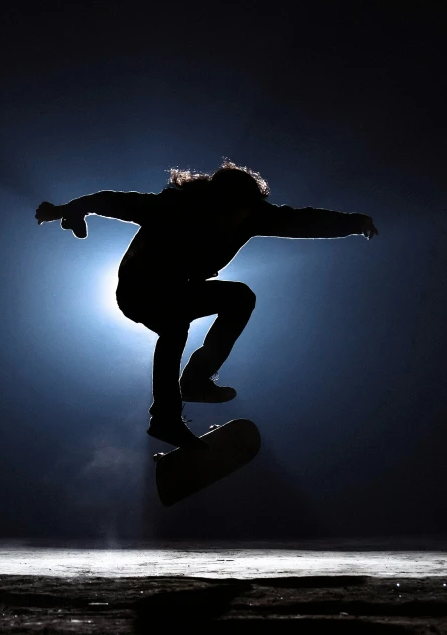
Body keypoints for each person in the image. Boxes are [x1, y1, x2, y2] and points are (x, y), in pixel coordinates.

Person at [35, 159, 378, 449]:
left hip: (179, 291)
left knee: (239, 297)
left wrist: (353, 222)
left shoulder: (254, 216)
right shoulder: (172, 207)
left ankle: (195, 381)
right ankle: (166, 418)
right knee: (174, 327)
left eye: (241, 214)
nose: (232, 221)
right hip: (139, 291)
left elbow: (303, 220)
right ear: (213, 201)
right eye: (226, 212)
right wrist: (66, 210)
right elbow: (110, 200)